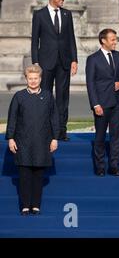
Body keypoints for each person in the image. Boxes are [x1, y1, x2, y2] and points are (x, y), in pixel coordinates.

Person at [6, 65, 59, 215]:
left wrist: (55, 138)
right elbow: (12, 119)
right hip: (23, 141)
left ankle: (35, 205)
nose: (33, 81)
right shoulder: (19, 96)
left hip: (42, 142)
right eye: (30, 78)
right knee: (24, 176)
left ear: (40, 79)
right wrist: (10, 138)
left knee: (37, 175)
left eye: (36, 78)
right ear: (26, 79)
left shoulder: (48, 96)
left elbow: (54, 118)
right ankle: (25, 205)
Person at [31, 0, 78, 141]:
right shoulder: (39, 15)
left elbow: (71, 38)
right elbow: (34, 40)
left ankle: (61, 131)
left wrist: (74, 59)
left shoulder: (67, 14)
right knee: (44, 96)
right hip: (45, 62)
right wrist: (36, 62)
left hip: (64, 62)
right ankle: (44, 131)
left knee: (63, 97)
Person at [85, 29, 119, 177]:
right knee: (100, 137)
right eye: (112, 39)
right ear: (103, 40)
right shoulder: (93, 59)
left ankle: (114, 166)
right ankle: (100, 167)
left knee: (116, 136)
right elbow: (90, 84)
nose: (115, 42)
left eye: (115, 39)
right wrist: (95, 104)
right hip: (102, 104)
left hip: (118, 102)